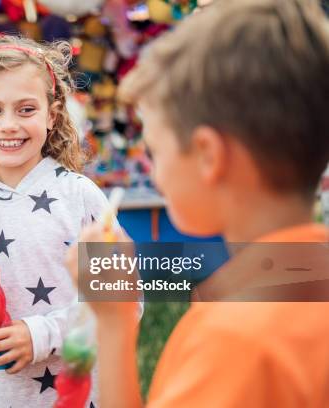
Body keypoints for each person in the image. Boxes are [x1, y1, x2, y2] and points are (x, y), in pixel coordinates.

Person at [66, 0, 329, 407]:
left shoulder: (231, 340)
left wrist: (115, 327)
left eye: (155, 150)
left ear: (208, 155)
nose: (155, 173)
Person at [0, 35, 113, 407]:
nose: (8, 125)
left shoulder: (80, 197)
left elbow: (124, 303)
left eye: (26, 109)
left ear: (52, 114)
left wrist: (42, 334)